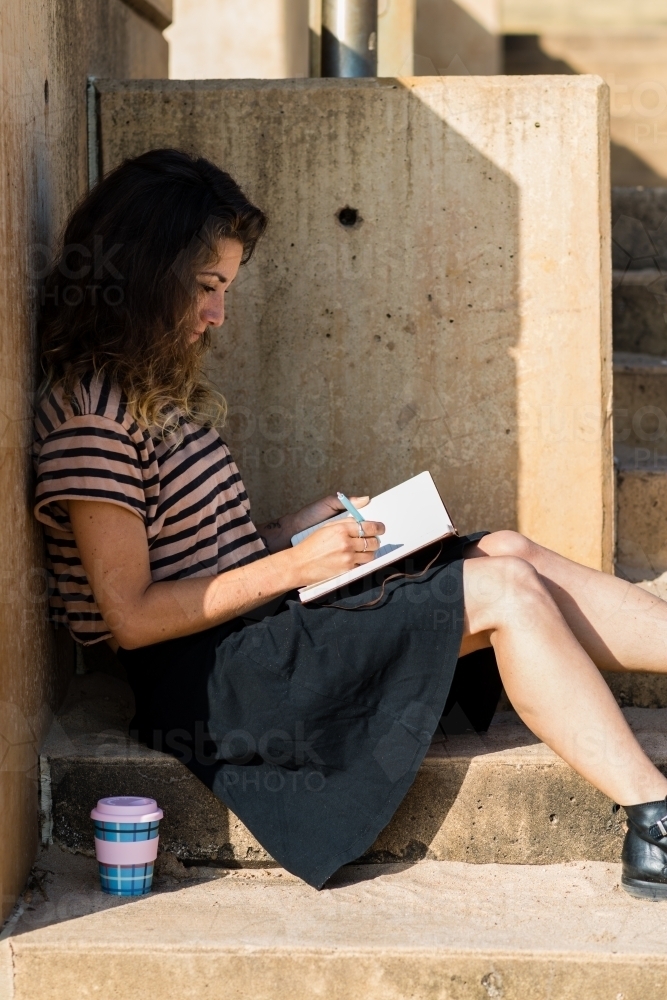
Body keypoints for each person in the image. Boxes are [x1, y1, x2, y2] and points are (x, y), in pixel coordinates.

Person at [33, 148, 667, 898]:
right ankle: (654, 822)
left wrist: (291, 531)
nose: (218, 314)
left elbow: (201, 555)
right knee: (503, 591)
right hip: (215, 684)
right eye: (206, 287)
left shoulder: (143, 392)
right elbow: (133, 617)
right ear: (144, 271)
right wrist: (296, 565)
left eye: (224, 289)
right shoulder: (91, 423)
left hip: (252, 628)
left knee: (506, 549)